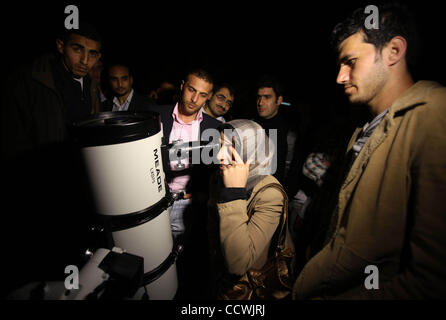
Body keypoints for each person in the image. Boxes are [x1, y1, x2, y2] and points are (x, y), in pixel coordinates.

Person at [293, 4, 446, 299]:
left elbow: (431, 280)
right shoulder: (361, 130)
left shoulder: (433, 115)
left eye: (350, 62)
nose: (340, 76)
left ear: (393, 51)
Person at [1, 23, 103, 297]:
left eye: (92, 54)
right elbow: (13, 148)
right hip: (40, 198)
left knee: (75, 271)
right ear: (60, 46)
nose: (85, 60)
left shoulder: (92, 84)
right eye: (77, 49)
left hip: (78, 194)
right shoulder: (27, 81)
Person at [148, 68, 221, 298]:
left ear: (208, 96)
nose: (195, 99)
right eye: (191, 90)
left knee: (182, 262)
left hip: (186, 205)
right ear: (182, 86)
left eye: (202, 94)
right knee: (150, 256)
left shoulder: (214, 127)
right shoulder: (154, 115)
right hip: (154, 200)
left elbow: (213, 173)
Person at [207, 119, 295, 297]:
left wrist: (234, 193)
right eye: (220, 145)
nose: (219, 156)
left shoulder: (270, 194)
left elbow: (238, 263)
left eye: (231, 147)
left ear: (251, 150)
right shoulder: (219, 175)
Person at [253, 75, 289, 185]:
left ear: (279, 100)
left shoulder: (287, 132)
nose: (260, 102)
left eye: (267, 97)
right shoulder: (251, 124)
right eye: (259, 97)